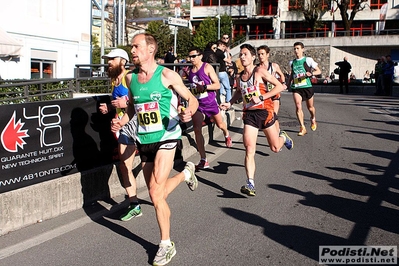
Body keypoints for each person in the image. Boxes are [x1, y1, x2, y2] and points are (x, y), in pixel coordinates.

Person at [111, 33, 199, 266]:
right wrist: (122, 120)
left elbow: (191, 99)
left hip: (167, 136)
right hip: (144, 139)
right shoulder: (130, 79)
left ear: (150, 49)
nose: (132, 50)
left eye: (136, 46)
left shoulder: (167, 75)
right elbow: (133, 106)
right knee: (155, 193)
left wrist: (187, 112)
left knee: (155, 190)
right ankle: (185, 174)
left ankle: (165, 244)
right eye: (131, 46)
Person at [220, 43, 293, 197]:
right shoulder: (240, 77)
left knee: (275, 148)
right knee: (249, 149)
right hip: (250, 116)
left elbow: (280, 86)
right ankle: (250, 183)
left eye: (245, 54)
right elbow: (239, 92)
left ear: (253, 57)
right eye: (240, 54)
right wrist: (230, 103)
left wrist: (261, 96)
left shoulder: (260, 71)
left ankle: (283, 137)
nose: (242, 57)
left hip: (265, 112)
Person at [99, 48, 142, 221]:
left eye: (112, 59)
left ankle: (162, 190)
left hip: (141, 125)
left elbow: (141, 99)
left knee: (151, 167)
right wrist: (110, 107)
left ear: (123, 61)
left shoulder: (129, 78)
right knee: (124, 166)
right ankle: (134, 204)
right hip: (124, 128)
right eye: (107, 59)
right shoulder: (114, 81)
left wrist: (127, 103)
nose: (108, 62)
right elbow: (119, 103)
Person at [187, 47, 232, 170]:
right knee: (197, 129)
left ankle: (226, 134)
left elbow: (217, 84)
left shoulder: (207, 67)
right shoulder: (190, 70)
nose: (191, 59)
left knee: (220, 124)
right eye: (189, 57)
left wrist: (205, 87)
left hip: (210, 103)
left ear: (200, 56)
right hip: (198, 105)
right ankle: (203, 159)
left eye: (193, 56)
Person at [288, 42, 321, 136]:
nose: (296, 50)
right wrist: (287, 84)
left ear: (303, 49)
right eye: (294, 49)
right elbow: (291, 75)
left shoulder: (308, 60)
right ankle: (302, 127)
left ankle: (313, 118)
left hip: (307, 86)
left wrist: (311, 74)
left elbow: (319, 71)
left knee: (310, 108)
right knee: (298, 106)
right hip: (296, 87)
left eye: (298, 48)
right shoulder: (292, 62)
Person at [257, 45, 287, 133]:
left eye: (262, 54)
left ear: (268, 55)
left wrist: (283, 84)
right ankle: (273, 133)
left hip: (274, 94)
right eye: (259, 54)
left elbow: (281, 75)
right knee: (266, 117)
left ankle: (277, 134)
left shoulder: (274, 66)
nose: (260, 56)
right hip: (263, 95)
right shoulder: (257, 68)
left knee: (273, 115)